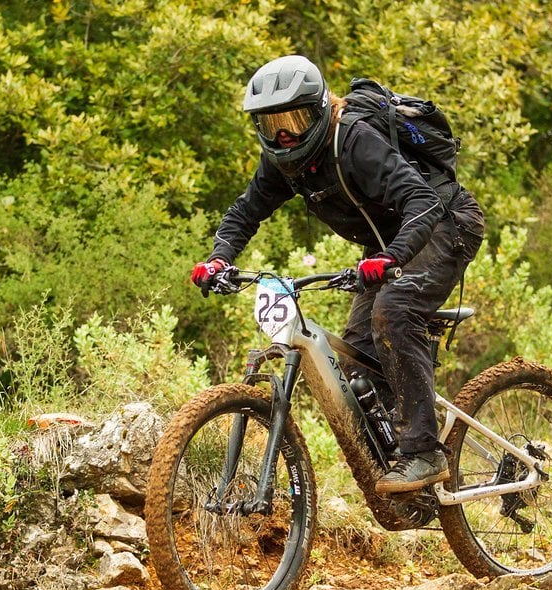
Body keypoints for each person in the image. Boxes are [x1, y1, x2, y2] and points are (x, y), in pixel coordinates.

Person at [191, 55, 484, 495]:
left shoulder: (354, 141)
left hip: (444, 222)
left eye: (294, 119)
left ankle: (423, 452)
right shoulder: (283, 162)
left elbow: (421, 201)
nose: (284, 135)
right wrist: (219, 259)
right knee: (356, 357)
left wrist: (392, 257)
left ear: (321, 110)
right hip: (389, 242)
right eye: (272, 126)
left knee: (394, 310)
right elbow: (245, 211)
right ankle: (405, 466)